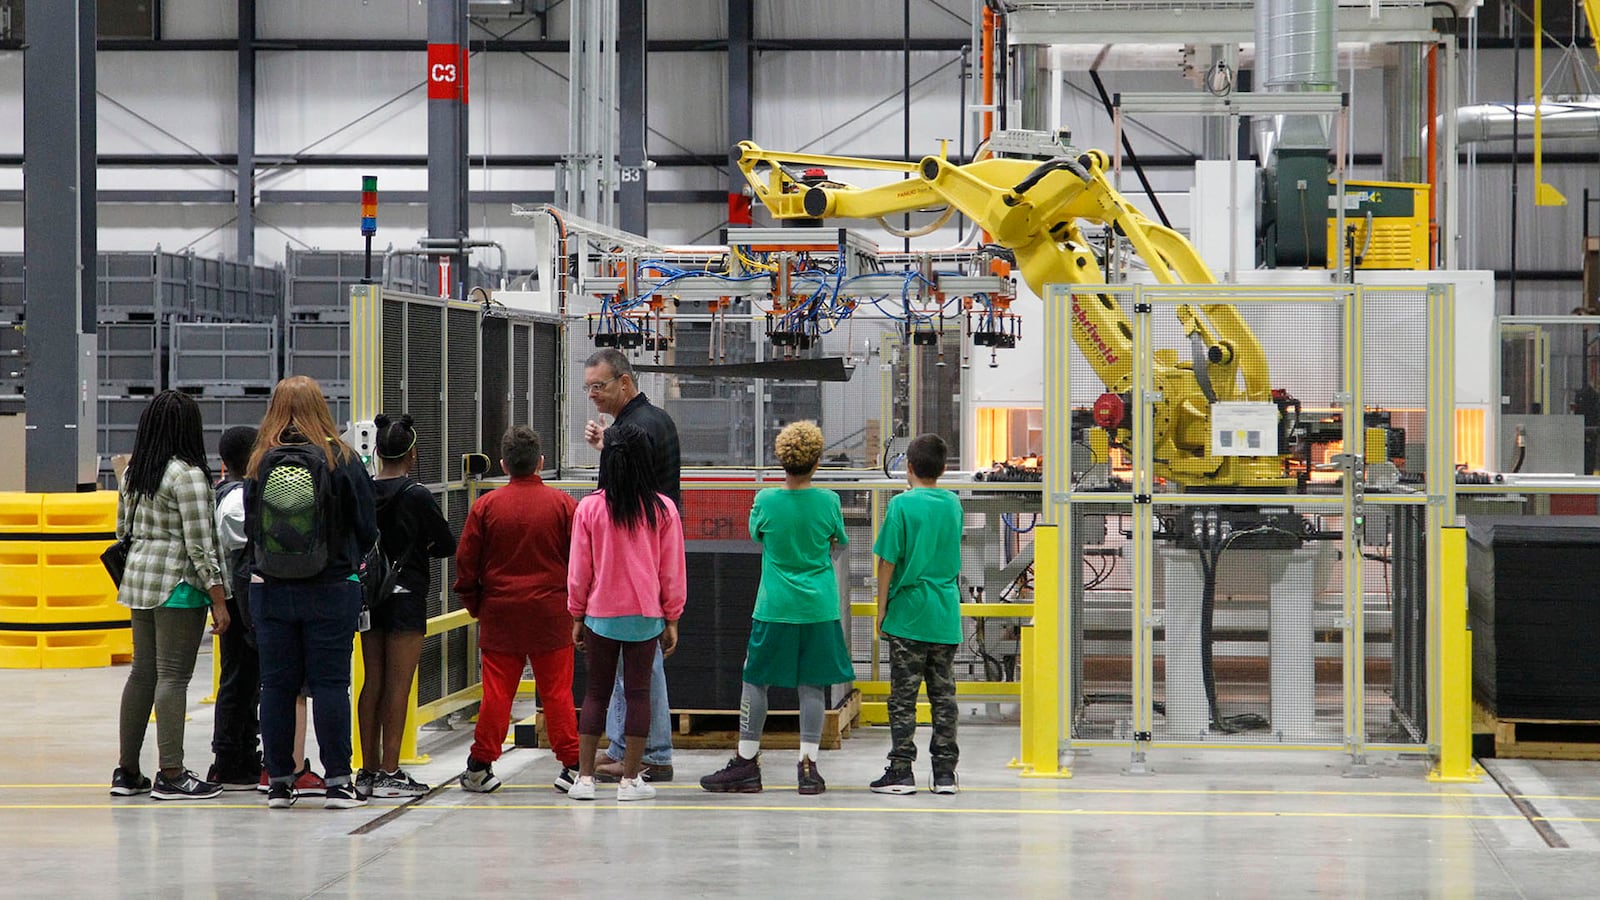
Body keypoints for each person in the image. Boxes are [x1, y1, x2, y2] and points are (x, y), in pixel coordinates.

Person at [245, 375, 378, 810]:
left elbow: (250, 528)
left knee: (277, 686)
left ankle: (280, 782)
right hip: (332, 587)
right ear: (321, 406)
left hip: (270, 590)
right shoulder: (341, 457)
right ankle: (339, 780)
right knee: (330, 684)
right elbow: (367, 526)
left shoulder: (260, 460)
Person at [700, 421, 853, 796]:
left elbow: (756, 534)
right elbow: (841, 542)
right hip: (819, 607)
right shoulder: (829, 500)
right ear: (816, 463)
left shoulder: (766, 500)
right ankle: (808, 767)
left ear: (781, 462)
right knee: (813, 684)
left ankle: (747, 762)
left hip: (774, 606)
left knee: (756, 680)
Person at [110, 390, 232, 801]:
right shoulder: (187, 476)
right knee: (174, 676)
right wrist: (219, 598)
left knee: (142, 673)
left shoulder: (133, 473)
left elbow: (121, 531)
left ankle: (127, 771)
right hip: (179, 585)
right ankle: (172, 772)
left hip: (138, 581)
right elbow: (201, 544)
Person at [454, 426, 580, 794]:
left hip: (500, 613)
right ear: (541, 462)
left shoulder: (486, 506)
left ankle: (480, 766)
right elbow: (579, 561)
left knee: (497, 693)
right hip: (552, 614)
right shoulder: (563, 506)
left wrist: (475, 605)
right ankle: (572, 766)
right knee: (557, 692)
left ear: (504, 464)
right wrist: (577, 609)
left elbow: (467, 563)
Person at [566, 424, 686, 802]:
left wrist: (577, 614)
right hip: (646, 616)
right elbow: (672, 570)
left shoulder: (590, 507)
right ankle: (630, 781)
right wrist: (672, 617)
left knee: (596, 693)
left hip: (599, 614)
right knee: (638, 694)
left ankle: (584, 780)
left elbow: (579, 569)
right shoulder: (662, 509)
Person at [581, 348, 681, 783]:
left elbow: (624, 492)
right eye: (588, 388)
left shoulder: (634, 430)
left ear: (624, 382)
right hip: (646, 566)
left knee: (638, 674)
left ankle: (652, 754)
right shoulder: (651, 420)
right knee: (633, 673)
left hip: (629, 568)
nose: (593, 395)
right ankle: (627, 748)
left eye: (598, 386)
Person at [358, 414, 457, 799]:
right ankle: (390, 770)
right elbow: (446, 544)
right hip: (407, 595)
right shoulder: (417, 495)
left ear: (378, 451)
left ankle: (365, 771)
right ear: (412, 453)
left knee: (372, 681)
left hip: (369, 597)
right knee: (400, 684)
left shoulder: (363, 489)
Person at [870, 433, 964, 796]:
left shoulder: (901, 507)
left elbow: (887, 562)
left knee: (903, 698)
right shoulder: (953, 505)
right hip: (943, 613)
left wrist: (881, 610)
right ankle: (944, 773)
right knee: (944, 697)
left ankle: (901, 771)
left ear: (908, 467)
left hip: (908, 614)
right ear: (943, 469)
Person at [207, 425, 263, 791]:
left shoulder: (230, 493)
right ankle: (228, 757)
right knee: (239, 679)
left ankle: (243, 748)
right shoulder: (238, 499)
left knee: (246, 679)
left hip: (235, 596)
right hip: (237, 598)